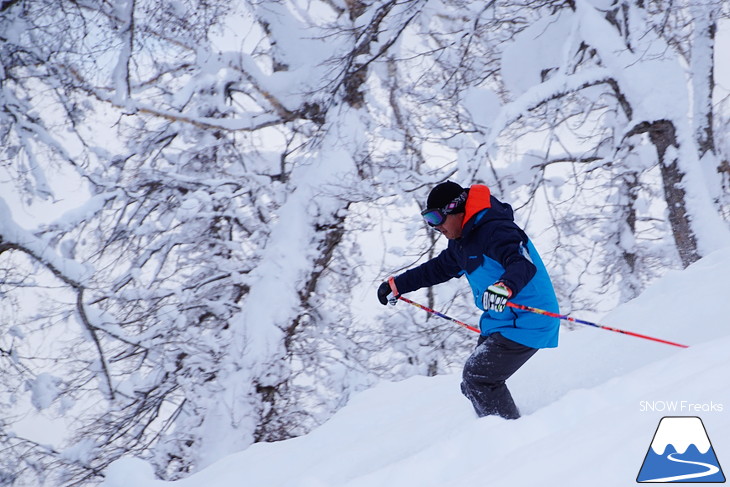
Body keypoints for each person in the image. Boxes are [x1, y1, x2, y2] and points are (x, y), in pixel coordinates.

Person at [377, 181, 560, 420]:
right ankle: (498, 428)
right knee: (472, 385)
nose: (436, 227)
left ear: (456, 208)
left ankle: (510, 436)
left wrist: (504, 287)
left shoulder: (496, 230)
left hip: (530, 319)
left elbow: (522, 264)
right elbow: (438, 269)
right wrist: (398, 285)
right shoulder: (462, 241)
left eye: (437, 218)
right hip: (501, 321)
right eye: (429, 220)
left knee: (478, 379)